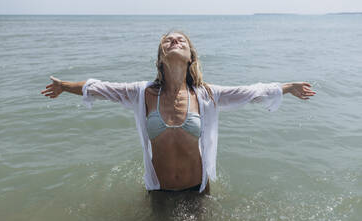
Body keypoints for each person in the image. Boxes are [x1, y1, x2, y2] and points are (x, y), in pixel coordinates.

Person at [41, 31, 316, 194]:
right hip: (158, 192)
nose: (174, 40)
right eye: (168, 40)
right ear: (161, 57)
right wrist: (64, 86)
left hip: (198, 192)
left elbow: (251, 92)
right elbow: (98, 87)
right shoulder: (142, 93)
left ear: (191, 57)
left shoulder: (208, 94)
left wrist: (287, 87)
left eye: (181, 39)